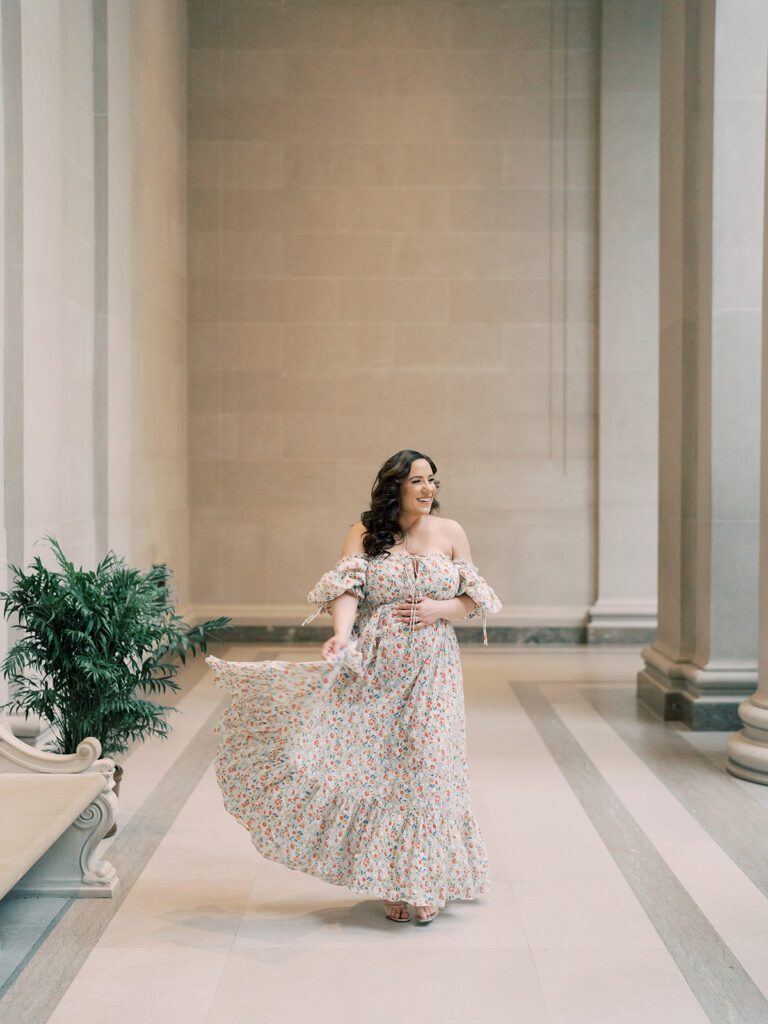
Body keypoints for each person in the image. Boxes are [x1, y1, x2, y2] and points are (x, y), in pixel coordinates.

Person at [206, 449, 502, 926]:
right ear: (395, 487)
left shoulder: (451, 533)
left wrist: (441, 610)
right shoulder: (363, 534)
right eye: (417, 481)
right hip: (377, 666)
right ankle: (393, 879)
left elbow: (474, 594)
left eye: (432, 481)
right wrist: (342, 634)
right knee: (383, 768)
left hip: (433, 668)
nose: (428, 490)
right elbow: (348, 589)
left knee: (428, 764)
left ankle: (423, 879)